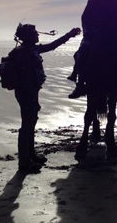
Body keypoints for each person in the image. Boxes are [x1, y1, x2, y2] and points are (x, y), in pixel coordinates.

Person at [11, 23, 81, 173]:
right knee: (27, 124)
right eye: (35, 33)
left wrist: (69, 35)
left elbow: (53, 45)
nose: (38, 35)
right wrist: (69, 35)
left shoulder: (29, 50)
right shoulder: (24, 52)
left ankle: (31, 155)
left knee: (31, 121)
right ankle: (24, 163)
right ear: (28, 36)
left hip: (29, 91)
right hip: (26, 91)